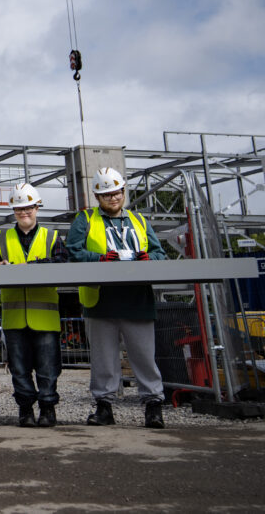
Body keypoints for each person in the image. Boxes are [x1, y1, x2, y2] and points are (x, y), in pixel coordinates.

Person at [66, 167, 168, 429]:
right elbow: (73, 253)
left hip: (137, 299)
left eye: (117, 192)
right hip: (100, 300)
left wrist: (149, 258)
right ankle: (104, 407)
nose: (113, 198)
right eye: (107, 194)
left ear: (124, 192)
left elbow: (160, 255)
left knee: (144, 357)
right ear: (97, 197)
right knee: (103, 360)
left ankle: (153, 407)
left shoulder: (139, 221)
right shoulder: (85, 220)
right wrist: (100, 259)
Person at [0, 182, 68, 428]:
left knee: (48, 369)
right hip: (14, 317)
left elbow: (62, 264)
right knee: (19, 368)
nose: (24, 212)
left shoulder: (53, 237)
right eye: (19, 209)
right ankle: (25, 410)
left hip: (45, 318)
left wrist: (31, 268)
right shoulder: (1, 238)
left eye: (28, 207)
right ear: (13, 211)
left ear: (37, 207)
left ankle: (48, 409)